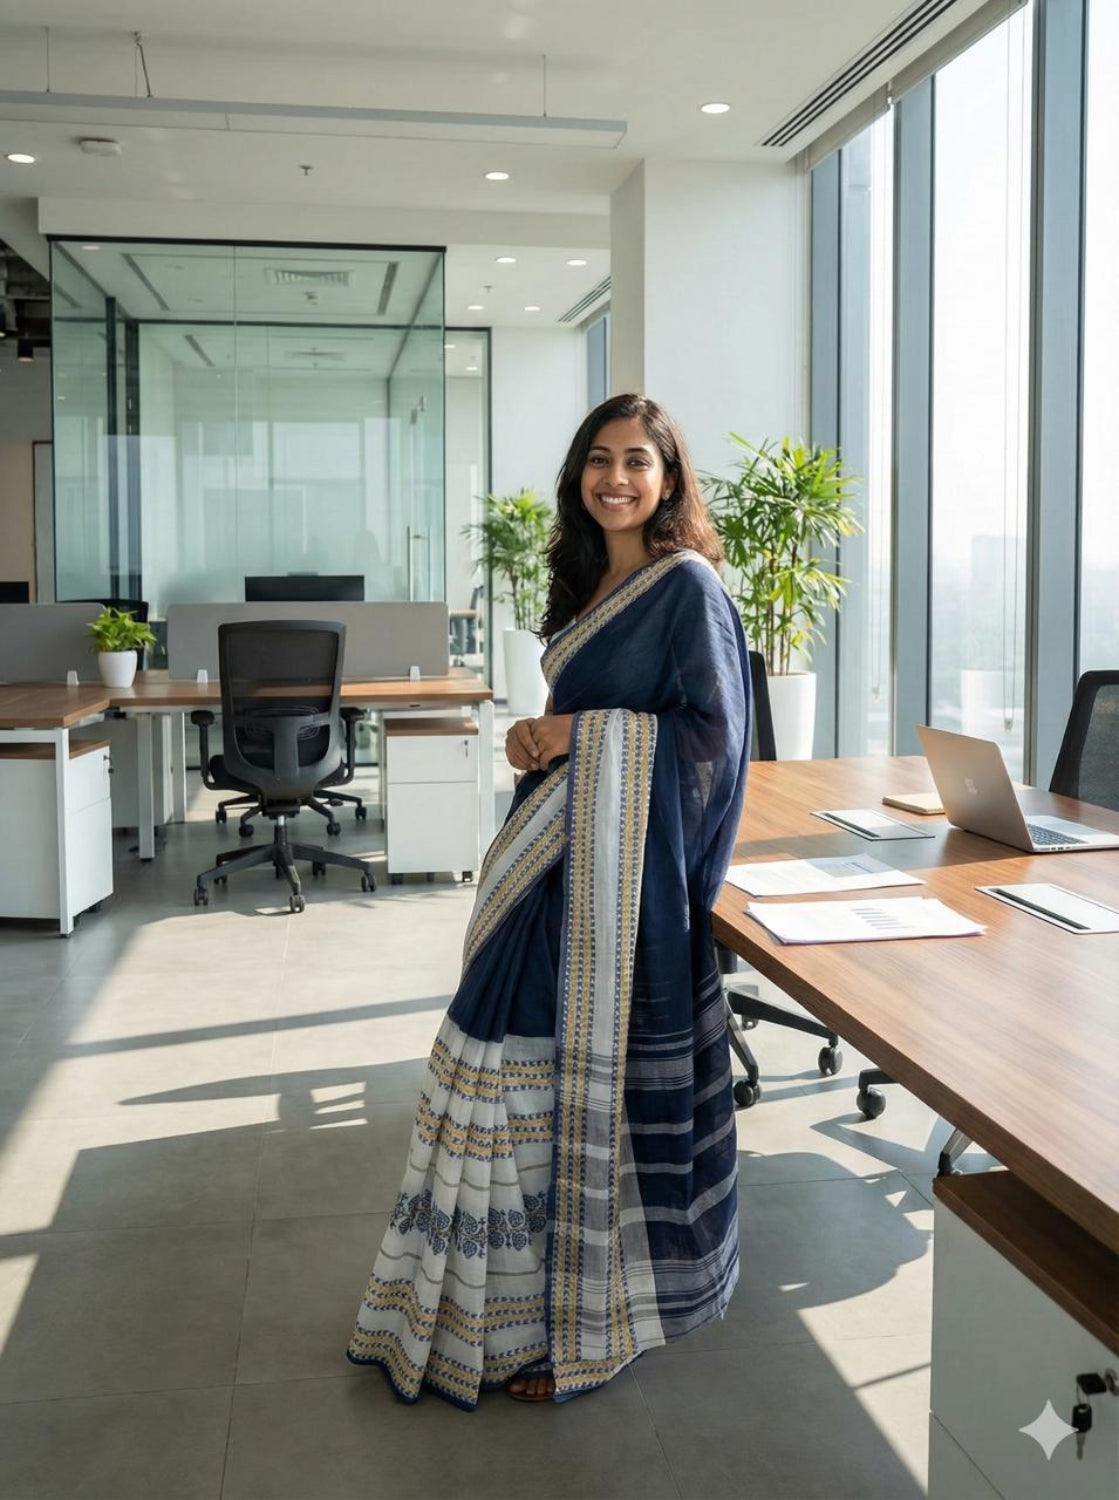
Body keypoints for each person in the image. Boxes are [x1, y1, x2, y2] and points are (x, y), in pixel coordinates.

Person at [347, 393, 751, 1408]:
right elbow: (601, 712)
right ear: (581, 474)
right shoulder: (590, 582)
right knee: (490, 1076)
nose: (616, 479)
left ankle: (571, 1327)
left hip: (617, 893)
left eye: (638, 463)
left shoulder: (688, 585)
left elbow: (712, 740)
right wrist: (544, 733)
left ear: (669, 479)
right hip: (550, 860)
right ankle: (485, 1314)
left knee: (547, 1087)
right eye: (599, 460)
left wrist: (579, 738)